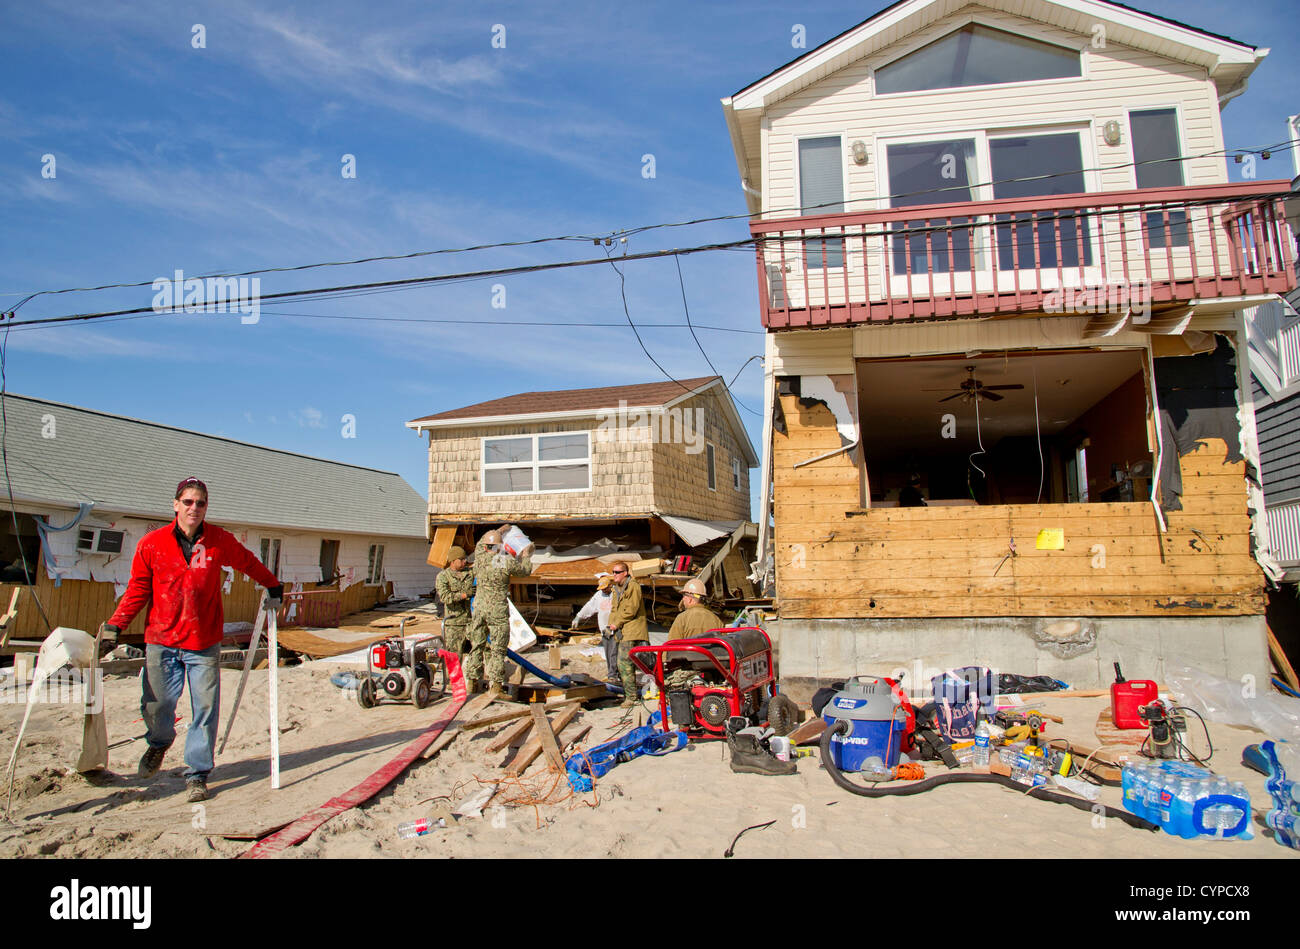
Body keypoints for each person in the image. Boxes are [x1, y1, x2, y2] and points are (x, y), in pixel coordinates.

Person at [100, 477, 282, 803]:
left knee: (205, 709)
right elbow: (138, 590)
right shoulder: (152, 544)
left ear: (206, 507)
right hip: (161, 639)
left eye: (200, 503)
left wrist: (272, 584)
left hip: (204, 641)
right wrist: (115, 625)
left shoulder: (218, 541)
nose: (193, 508)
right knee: (158, 705)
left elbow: (247, 561)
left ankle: (197, 773)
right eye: (187, 502)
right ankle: (158, 742)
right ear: (175, 504)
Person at [463, 528, 533, 701]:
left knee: (477, 645)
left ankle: (472, 682)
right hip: (497, 610)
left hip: (478, 609)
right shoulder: (502, 561)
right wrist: (526, 555)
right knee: (497, 648)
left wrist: (499, 530)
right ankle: (495, 686)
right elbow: (524, 571)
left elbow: (481, 543)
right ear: (499, 546)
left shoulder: (479, 558)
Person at [607, 560, 647, 708]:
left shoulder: (633, 586)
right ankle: (630, 694)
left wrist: (616, 623)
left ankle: (631, 697)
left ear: (625, 573)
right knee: (623, 663)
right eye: (613, 572)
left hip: (632, 630)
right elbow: (614, 609)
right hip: (622, 631)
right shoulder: (616, 588)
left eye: (617, 572)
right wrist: (610, 625)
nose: (614, 575)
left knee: (624, 664)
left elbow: (631, 609)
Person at [570, 574, 616, 680]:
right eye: (602, 589)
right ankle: (612, 673)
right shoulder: (598, 595)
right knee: (609, 652)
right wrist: (578, 617)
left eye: (605, 588)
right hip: (606, 629)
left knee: (615, 652)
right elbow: (589, 607)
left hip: (616, 627)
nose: (604, 591)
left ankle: (615, 673)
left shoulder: (616, 594)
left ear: (610, 585)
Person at [435, 546, 474, 665]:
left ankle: (474, 682)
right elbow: (445, 597)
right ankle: (455, 684)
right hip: (454, 624)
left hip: (471, 621)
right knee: (454, 659)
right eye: (461, 559)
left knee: (477, 654)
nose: (464, 561)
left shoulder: (469, 573)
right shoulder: (443, 576)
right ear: (453, 561)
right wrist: (464, 595)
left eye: (465, 559)